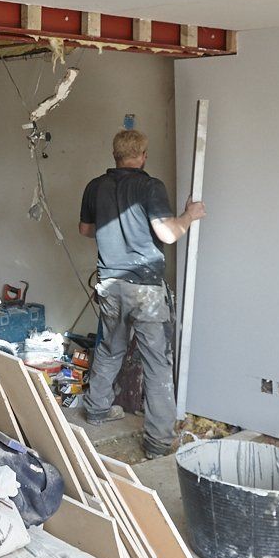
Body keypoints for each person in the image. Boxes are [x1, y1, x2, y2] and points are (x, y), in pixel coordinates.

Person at [75, 128, 205, 457]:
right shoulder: (150, 186)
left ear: (115, 155)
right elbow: (168, 233)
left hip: (109, 282)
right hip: (145, 286)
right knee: (157, 363)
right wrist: (189, 215)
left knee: (109, 347)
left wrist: (116, 231)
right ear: (143, 155)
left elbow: (85, 229)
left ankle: (96, 410)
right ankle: (160, 441)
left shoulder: (95, 186)